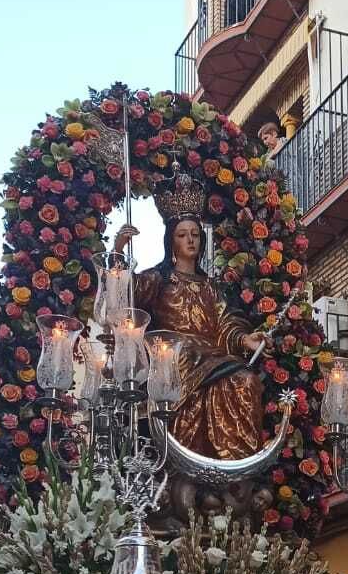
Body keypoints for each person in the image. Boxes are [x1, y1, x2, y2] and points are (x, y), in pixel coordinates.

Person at [114, 181, 269, 461]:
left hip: (215, 357)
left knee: (246, 380)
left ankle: (236, 461)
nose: (190, 240)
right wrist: (118, 253)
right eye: (182, 235)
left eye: (195, 234)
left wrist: (244, 339)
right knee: (181, 373)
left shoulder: (211, 286)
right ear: (171, 240)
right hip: (175, 357)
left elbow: (226, 321)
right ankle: (184, 458)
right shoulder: (159, 280)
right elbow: (123, 299)